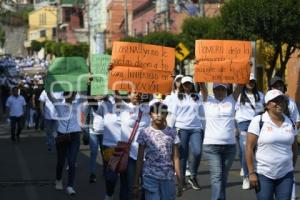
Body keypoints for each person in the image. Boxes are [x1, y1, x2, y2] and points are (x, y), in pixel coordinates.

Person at [246, 89, 298, 200]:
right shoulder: (258, 121)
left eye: (281, 100)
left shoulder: (290, 123)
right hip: (263, 174)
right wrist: (251, 173)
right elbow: (249, 148)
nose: (279, 103)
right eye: (275, 101)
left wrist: (291, 167)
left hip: (286, 174)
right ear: (267, 105)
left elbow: (294, 149)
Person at [199, 82, 243, 200]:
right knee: (216, 177)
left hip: (230, 147)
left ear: (226, 91)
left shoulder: (231, 100)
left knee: (223, 177)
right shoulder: (207, 100)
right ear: (213, 91)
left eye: (222, 89)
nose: (220, 92)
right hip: (211, 146)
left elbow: (241, 85)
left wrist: (245, 67)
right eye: (217, 89)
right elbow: (201, 84)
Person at [133, 102, 182, 200]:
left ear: (166, 114)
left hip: (167, 176)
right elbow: (139, 158)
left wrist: (180, 180)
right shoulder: (144, 133)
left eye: (162, 112)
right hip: (149, 175)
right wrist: (136, 181)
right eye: (156, 112)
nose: (159, 115)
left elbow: (176, 157)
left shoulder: (172, 133)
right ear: (150, 114)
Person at [169, 76, 204, 190]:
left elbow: (202, 113)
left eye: (189, 84)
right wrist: (169, 129)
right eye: (185, 84)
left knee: (197, 152)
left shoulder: (197, 97)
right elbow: (173, 114)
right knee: (183, 156)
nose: (187, 86)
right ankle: (182, 179)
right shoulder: (177, 98)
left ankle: (193, 176)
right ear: (182, 86)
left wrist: (205, 128)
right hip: (181, 128)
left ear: (192, 85)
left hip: (196, 128)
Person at [47, 91, 85, 195]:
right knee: (61, 161)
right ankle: (58, 180)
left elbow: (87, 93)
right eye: (69, 94)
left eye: (73, 94)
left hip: (75, 136)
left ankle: (70, 186)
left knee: (72, 162)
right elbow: (50, 96)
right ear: (65, 95)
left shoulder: (78, 103)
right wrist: (47, 83)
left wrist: (89, 81)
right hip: (62, 135)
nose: (71, 96)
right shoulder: (59, 104)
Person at [235, 74, 265, 190]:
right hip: (243, 124)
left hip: (257, 124)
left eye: (252, 81)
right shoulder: (239, 96)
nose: (250, 83)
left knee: (257, 149)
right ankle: (246, 176)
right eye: (248, 81)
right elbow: (234, 111)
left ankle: (257, 171)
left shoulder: (261, 95)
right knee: (245, 150)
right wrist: (235, 127)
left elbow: (264, 110)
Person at [120, 91, 151, 200]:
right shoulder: (123, 107)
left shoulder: (147, 108)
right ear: (128, 95)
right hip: (130, 155)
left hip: (145, 155)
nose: (137, 94)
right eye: (134, 92)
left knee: (146, 186)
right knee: (130, 187)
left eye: (139, 92)